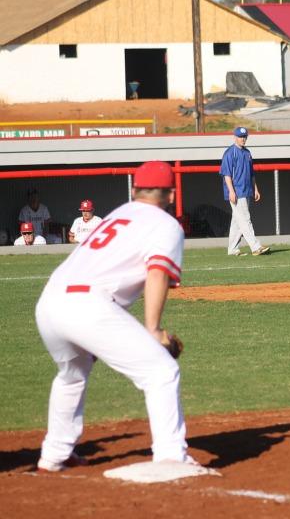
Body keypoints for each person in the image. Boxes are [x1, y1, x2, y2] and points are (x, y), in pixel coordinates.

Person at [34, 161, 200, 471]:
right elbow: (158, 272)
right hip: (88, 305)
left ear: (134, 190)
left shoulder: (117, 214)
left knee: (72, 374)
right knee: (161, 371)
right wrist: (153, 329)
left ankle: (54, 454)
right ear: (172, 195)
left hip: (49, 301)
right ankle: (172, 455)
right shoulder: (164, 224)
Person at [220, 127, 270, 257]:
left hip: (247, 190)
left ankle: (232, 249)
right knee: (245, 219)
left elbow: (251, 173)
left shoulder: (247, 152)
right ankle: (255, 246)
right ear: (235, 137)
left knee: (237, 222)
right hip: (237, 192)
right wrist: (231, 191)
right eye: (241, 136)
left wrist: (256, 188)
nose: (243, 139)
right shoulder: (230, 153)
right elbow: (226, 174)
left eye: (245, 136)